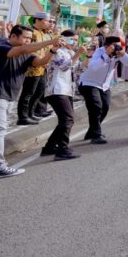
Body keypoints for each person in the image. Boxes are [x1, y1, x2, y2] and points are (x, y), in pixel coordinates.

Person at [0, 25, 60, 177]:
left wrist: (53, 50)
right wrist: (50, 42)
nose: (28, 41)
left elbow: (41, 62)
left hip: (8, 98)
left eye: (30, 39)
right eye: (26, 37)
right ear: (13, 37)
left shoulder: (26, 53)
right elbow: (22, 50)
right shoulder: (2, 47)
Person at [77, 35, 128, 144]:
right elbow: (93, 68)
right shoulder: (98, 52)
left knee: (105, 108)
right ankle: (96, 135)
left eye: (119, 45)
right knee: (96, 107)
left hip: (104, 86)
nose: (117, 47)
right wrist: (106, 55)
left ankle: (92, 132)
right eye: (115, 45)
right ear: (107, 46)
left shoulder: (117, 53)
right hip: (89, 83)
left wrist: (123, 54)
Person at [41, 29, 86, 160]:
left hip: (67, 90)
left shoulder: (70, 52)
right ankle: (62, 149)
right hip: (56, 89)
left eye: (77, 40)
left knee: (65, 120)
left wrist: (87, 56)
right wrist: (77, 54)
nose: (75, 42)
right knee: (68, 119)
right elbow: (64, 67)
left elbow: (77, 70)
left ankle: (49, 147)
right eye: (72, 40)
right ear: (64, 39)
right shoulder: (58, 52)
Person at [16, 11, 52, 125]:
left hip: (42, 66)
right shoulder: (32, 33)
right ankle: (22, 117)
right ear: (37, 20)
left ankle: (31, 113)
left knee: (39, 92)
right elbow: (28, 49)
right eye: (46, 21)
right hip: (32, 67)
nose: (48, 23)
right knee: (28, 93)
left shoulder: (42, 33)